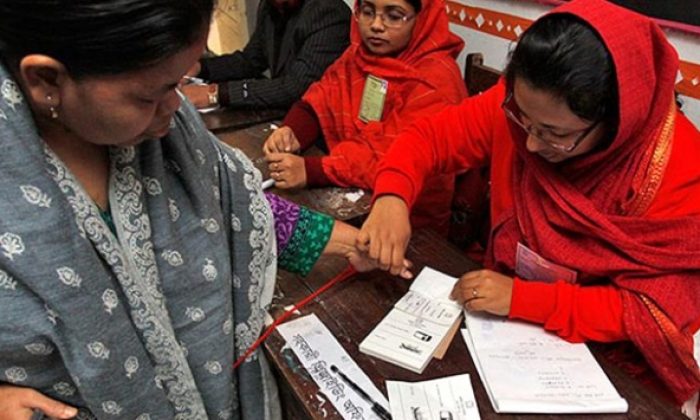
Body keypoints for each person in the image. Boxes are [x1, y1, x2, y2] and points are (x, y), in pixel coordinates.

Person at [0, 0, 408, 418]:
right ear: (46, 80)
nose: (176, 106)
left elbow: (236, 209)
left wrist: (351, 243)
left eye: (178, 84)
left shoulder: (170, 133)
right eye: (149, 95)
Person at [358, 0, 700, 414]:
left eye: (556, 134)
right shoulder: (523, 111)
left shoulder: (677, 168)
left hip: (607, 362)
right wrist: (392, 198)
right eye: (523, 119)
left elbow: (649, 312)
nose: (532, 145)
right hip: (502, 325)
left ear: (617, 120)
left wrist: (524, 299)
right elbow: (428, 140)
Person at [262, 0, 466, 233]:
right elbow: (322, 96)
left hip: (409, 222)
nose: (376, 25)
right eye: (368, 12)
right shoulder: (357, 56)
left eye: (394, 16)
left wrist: (312, 170)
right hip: (351, 196)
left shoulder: (437, 81)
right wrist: (290, 131)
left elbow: (396, 156)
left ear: (421, 19)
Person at [182, 0, 351, 110]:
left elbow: (295, 87)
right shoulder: (270, 7)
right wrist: (199, 67)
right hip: (284, 120)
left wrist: (215, 93)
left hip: (317, 129)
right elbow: (250, 61)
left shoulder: (328, 12)